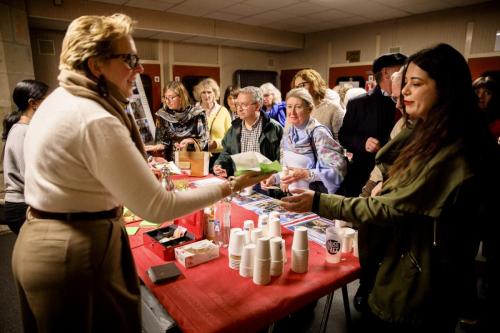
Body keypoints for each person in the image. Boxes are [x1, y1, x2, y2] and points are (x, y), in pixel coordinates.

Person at [11, 13, 269, 333]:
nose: (140, 69)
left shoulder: (61, 99)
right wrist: (230, 186)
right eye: (130, 59)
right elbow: (157, 206)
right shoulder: (94, 116)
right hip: (72, 255)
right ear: (96, 65)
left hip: (44, 239)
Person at [280, 43, 498, 332]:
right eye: (404, 84)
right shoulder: (425, 131)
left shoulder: (452, 148)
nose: (404, 92)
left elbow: (390, 209)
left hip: (415, 279)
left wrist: (319, 201)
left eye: (415, 84)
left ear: (446, 89)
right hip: (401, 262)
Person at [338, 52, 406, 199]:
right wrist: (363, 142)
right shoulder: (359, 103)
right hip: (365, 174)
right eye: (401, 69)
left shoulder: (411, 99)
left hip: (401, 175)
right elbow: (344, 136)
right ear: (386, 73)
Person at [261, 88, 346, 194]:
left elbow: (337, 170)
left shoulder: (319, 133)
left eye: (298, 107)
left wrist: (306, 174)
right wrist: (274, 178)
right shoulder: (289, 133)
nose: (292, 112)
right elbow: (287, 169)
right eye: (289, 107)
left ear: (309, 109)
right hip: (293, 197)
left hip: (316, 201)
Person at [2, 80, 48, 234]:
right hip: (22, 206)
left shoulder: (23, 129)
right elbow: (29, 174)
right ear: (33, 103)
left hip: (22, 204)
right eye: (46, 100)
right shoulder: (24, 131)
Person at [213, 86, 283, 178]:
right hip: (241, 183)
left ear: (257, 106)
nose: (239, 109)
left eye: (244, 105)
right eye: (238, 105)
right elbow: (226, 152)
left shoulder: (274, 128)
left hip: (265, 184)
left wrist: (272, 177)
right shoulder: (234, 128)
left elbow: (281, 161)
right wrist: (219, 165)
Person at [145, 80, 208, 161]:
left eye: (171, 98)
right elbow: (163, 142)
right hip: (173, 160)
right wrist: (155, 147)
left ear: (181, 97)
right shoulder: (163, 115)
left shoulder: (197, 114)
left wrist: (191, 141)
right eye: (165, 98)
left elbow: (204, 139)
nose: (167, 101)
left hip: (194, 159)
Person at [291, 69, 345, 141]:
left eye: (302, 85)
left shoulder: (333, 108)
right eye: (297, 87)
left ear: (314, 84)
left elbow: (340, 141)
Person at [193, 78, 232, 171]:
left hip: (218, 158)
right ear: (199, 94)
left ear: (214, 93)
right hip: (197, 155)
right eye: (203, 92)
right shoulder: (193, 111)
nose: (207, 95)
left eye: (209, 92)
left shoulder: (223, 111)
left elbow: (231, 138)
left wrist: (216, 144)